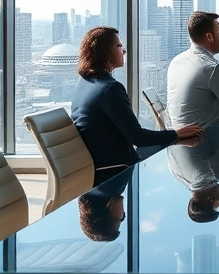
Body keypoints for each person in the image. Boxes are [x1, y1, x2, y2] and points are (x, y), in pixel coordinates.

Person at [71, 26, 203, 186]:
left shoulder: (84, 82)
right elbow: (138, 138)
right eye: (119, 46)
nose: (124, 51)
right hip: (116, 171)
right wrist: (176, 135)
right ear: (104, 51)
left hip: (99, 163)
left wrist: (174, 137)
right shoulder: (110, 89)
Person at [78, 167, 132, 242]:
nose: (123, 214)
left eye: (121, 218)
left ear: (109, 209)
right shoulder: (79, 185)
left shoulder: (114, 184)